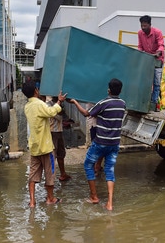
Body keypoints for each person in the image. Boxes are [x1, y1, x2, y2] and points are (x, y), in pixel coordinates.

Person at [67, 78, 126, 211]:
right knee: (110, 170)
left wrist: (75, 102)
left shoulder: (104, 102)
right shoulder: (122, 103)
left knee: (88, 165)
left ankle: (94, 197)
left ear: (108, 90)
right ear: (121, 90)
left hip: (101, 142)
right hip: (115, 143)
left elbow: (87, 114)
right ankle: (110, 203)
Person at [22, 80, 67, 208]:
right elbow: (52, 112)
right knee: (50, 172)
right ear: (36, 91)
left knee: (33, 174)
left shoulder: (27, 107)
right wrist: (59, 101)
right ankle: (50, 198)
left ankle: (32, 202)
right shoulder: (39, 104)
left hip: (34, 146)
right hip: (46, 147)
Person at [138, 15, 165, 111]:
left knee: (156, 83)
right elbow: (140, 46)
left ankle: (154, 104)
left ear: (150, 25)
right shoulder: (140, 33)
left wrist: (158, 52)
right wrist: (140, 53)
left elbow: (161, 45)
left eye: (145, 26)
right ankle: (145, 102)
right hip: (148, 60)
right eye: (142, 26)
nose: (143, 28)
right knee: (146, 82)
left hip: (158, 60)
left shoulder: (157, 32)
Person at [46, 96, 72, 182]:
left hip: (58, 131)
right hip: (52, 131)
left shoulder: (56, 103)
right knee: (52, 156)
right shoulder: (49, 104)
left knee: (61, 153)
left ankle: (63, 174)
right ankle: (50, 179)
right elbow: (59, 114)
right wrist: (60, 102)